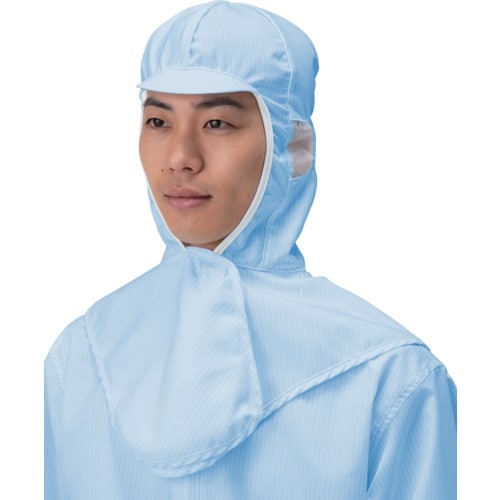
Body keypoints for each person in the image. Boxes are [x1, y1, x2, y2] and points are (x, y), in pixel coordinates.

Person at [44, 1, 457, 498]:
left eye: (217, 123)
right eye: (158, 121)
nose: (180, 158)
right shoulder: (77, 356)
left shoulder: (391, 378)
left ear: (295, 148)